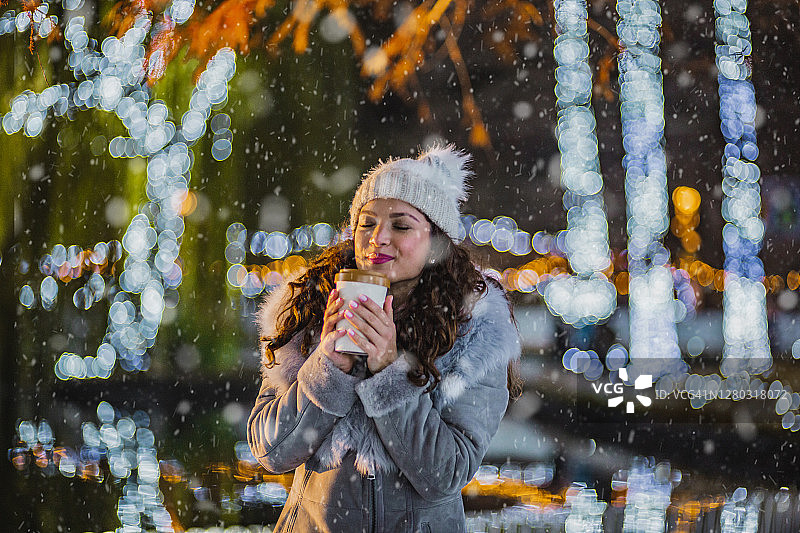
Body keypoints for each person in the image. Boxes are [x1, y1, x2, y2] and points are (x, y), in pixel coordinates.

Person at [248, 145, 522, 533]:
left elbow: (446, 475)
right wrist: (328, 367)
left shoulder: (473, 329)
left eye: (401, 225)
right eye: (367, 222)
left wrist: (392, 372)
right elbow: (270, 451)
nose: (378, 238)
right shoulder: (307, 308)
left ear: (436, 240)